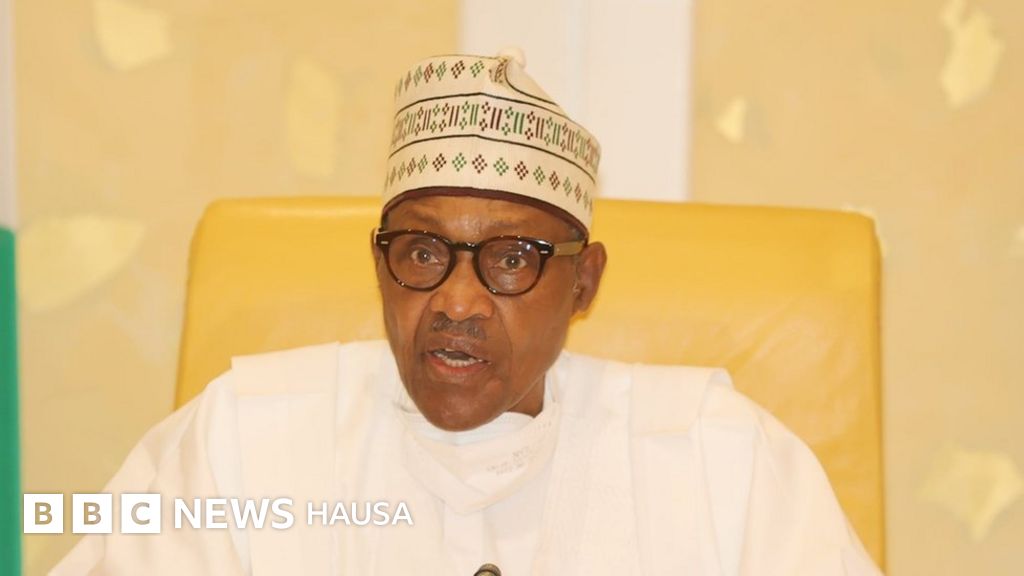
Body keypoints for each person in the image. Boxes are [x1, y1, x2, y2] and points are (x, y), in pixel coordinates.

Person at [54, 49, 882, 575]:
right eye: (422, 252)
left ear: (584, 283)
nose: (456, 301)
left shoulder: (717, 457)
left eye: (512, 259)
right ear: (379, 266)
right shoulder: (240, 439)